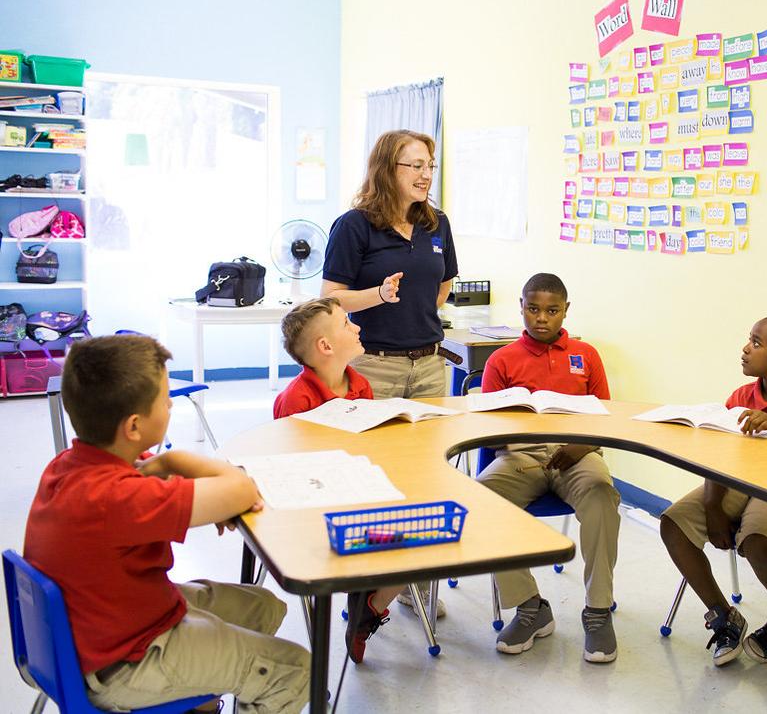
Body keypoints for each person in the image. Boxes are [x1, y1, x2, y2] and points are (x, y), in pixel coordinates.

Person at [23, 334, 309, 713]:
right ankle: (206, 687)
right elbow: (241, 488)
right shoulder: (116, 497)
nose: (171, 403)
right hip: (123, 664)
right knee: (296, 669)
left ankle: (202, 695)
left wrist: (212, 495)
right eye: (164, 399)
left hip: (109, 626)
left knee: (263, 608)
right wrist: (177, 462)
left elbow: (208, 489)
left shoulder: (77, 464)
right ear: (134, 427)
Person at [321, 129, 459, 618]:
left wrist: (414, 313)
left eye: (429, 165)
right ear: (387, 169)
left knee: (423, 478)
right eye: (415, 166)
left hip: (428, 366)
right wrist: (379, 296)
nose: (425, 175)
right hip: (372, 367)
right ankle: (369, 580)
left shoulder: (436, 224)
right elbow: (331, 298)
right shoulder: (355, 226)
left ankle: (410, 581)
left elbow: (442, 287)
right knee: (374, 480)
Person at [660, 316, 767, 666]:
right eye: (748, 340)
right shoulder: (739, 397)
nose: (745, 348)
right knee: (673, 524)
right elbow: (719, 457)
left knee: (757, 540)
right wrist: (712, 506)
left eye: (755, 342)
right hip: (737, 483)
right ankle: (723, 615)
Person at [476, 273, 621, 663]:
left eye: (552, 311)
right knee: (479, 497)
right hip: (521, 455)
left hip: (577, 452)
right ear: (520, 307)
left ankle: (597, 610)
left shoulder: (586, 355)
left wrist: (583, 445)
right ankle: (530, 606)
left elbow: (606, 417)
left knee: (602, 494)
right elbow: (488, 430)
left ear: (565, 311)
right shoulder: (501, 360)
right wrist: (506, 433)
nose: (542, 318)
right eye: (533, 309)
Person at [272, 297, 405, 664]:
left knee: (424, 542)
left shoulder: (361, 385)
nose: (358, 328)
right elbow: (291, 475)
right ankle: (364, 593)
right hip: (321, 517)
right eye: (348, 323)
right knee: (391, 542)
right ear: (325, 346)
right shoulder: (295, 401)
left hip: (365, 501)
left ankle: (369, 607)